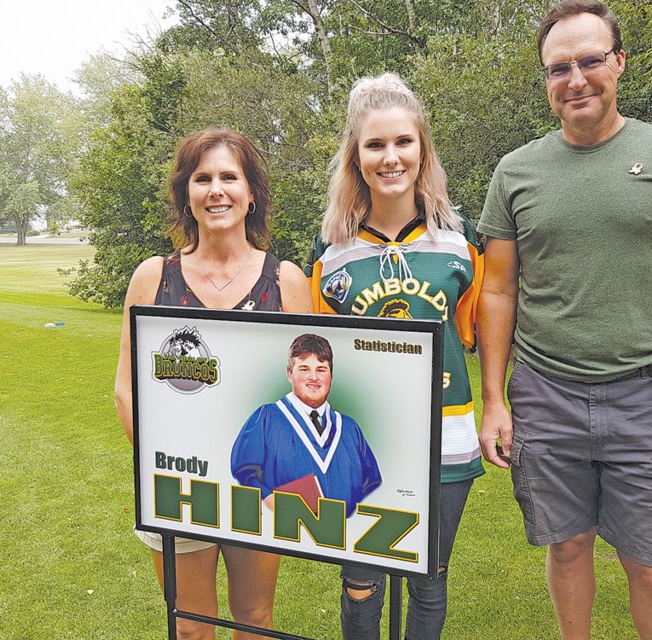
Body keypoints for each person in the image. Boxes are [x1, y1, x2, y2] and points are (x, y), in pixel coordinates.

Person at [475, 2, 652, 638]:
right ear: (545, 80)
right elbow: (497, 292)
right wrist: (494, 399)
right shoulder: (515, 171)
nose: (576, 79)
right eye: (558, 68)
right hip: (545, 392)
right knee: (566, 547)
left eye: (591, 60)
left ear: (619, 63)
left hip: (646, 394)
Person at [114, 126, 312, 640]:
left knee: (254, 620)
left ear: (251, 195)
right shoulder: (153, 277)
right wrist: (172, 463)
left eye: (230, 176)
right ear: (187, 195)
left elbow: (308, 393)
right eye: (202, 178)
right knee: (192, 629)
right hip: (179, 488)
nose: (216, 189)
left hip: (259, 490)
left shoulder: (286, 279)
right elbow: (126, 390)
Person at [306, 72, 484, 640]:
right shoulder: (331, 249)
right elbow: (318, 352)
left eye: (403, 142)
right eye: (375, 144)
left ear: (422, 149)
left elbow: (472, 334)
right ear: (355, 157)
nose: (390, 157)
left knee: (429, 578)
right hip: (356, 441)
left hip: (445, 435)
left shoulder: (460, 240)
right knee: (362, 577)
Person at [231, 333, 382, 518]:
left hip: (345, 538)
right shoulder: (267, 418)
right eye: (304, 369)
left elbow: (372, 482)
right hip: (285, 534)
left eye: (321, 369)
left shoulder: (349, 428)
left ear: (331, 376)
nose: (313, 377)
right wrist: (273, 504)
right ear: (289, 374)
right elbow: (244, 472)